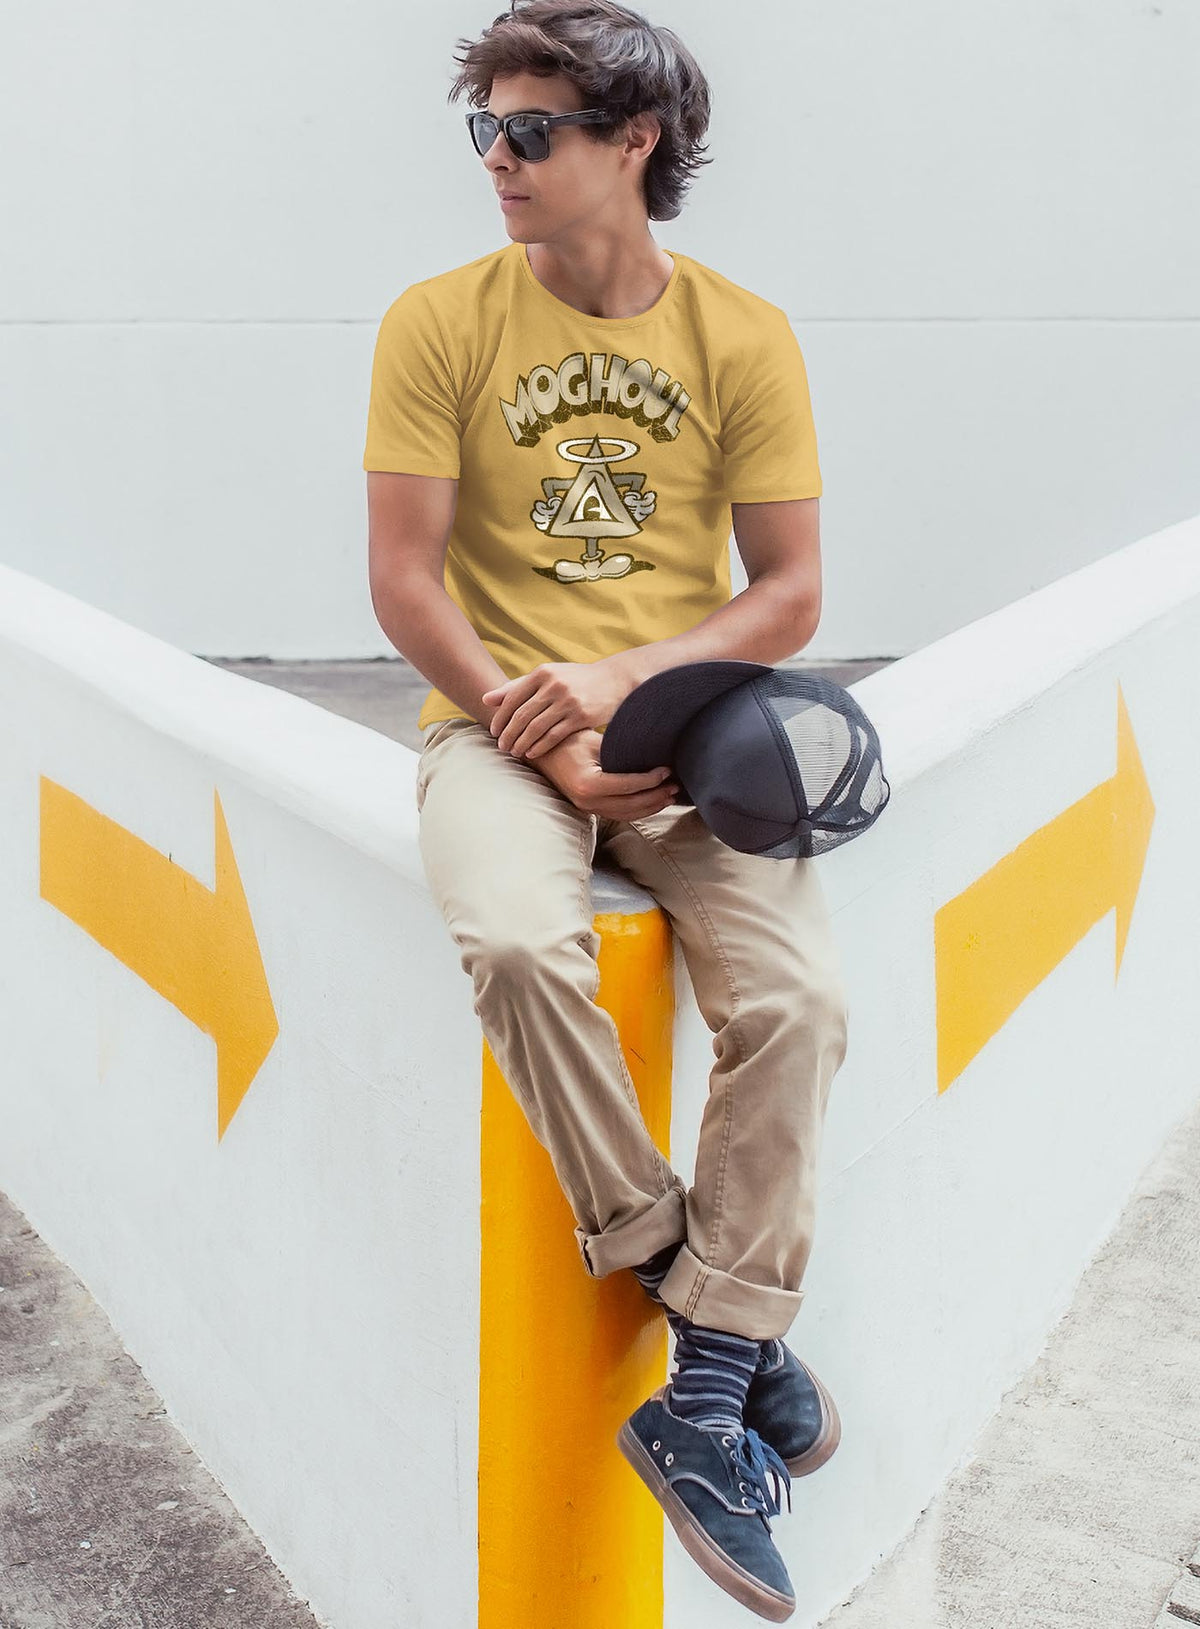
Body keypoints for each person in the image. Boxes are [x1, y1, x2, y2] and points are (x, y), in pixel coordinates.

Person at [363, 2, 849, 1617]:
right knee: (516, 942)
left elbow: (789, 590)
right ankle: (696, 1296)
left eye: (530, 131)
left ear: (635, 141)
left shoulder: (742, 336)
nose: (496, 159)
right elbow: (406, 580)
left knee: (798, 1001)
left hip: (684, 736)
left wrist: (626, 682)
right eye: (484, 130)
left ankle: (698, 1402)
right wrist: (541, 727)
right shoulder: (439, 321)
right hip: (497, 734)